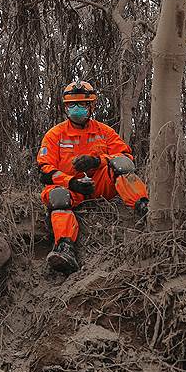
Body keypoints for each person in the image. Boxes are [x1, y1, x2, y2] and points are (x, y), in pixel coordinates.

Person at [38, 80, 149, 273]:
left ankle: (144, 207)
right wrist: (71, 181)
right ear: (65, 107)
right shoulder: (55, 135)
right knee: (57, 197)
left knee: (120, 166)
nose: (76, 108)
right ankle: (65, 248)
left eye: (82, 104)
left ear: (91, 106)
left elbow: (127, 159)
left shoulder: (104, 132)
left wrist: (98, 161)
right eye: (72, 105)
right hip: (71, 188)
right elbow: (45, 171)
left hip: (100, 184)